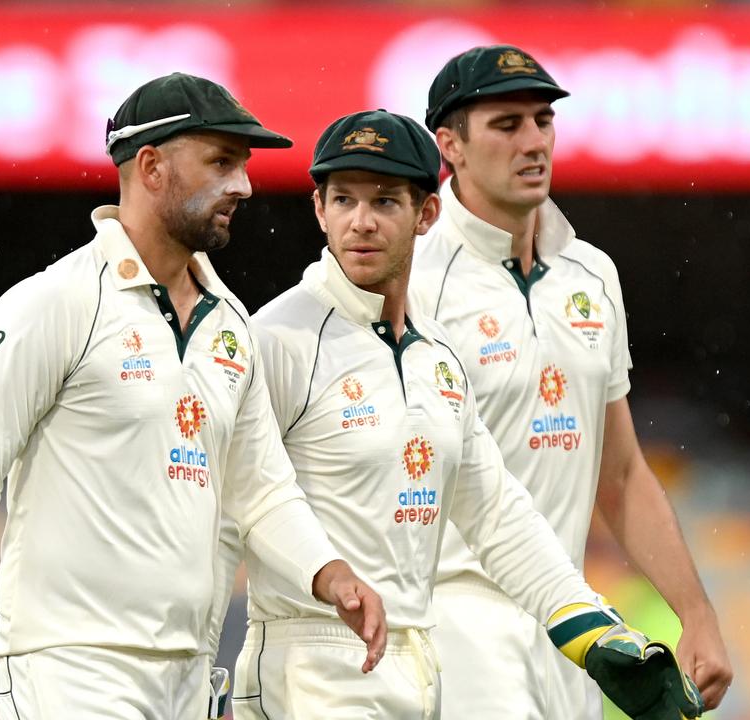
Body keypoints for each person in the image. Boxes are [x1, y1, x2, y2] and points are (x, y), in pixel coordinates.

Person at [0, 73, 386, 720]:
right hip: (66, 670)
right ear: (151, 166)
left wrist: (330, 572)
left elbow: (261, 488)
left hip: (189, 679)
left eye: (243, 166)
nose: (244, 186)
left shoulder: (232, 326)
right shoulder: (56, 303)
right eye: (222, 162)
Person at [218, 109, 703, 720]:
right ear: (319, 209)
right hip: (311, 667)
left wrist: (595, 632)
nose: (360, 222)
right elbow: (233, 503)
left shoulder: (438, 356)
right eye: (342, 199)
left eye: (386, 202)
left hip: (419, 666)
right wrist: (201, 668)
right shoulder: (276, 339)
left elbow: (498, 513)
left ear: (426, 214)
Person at [410, 45, 733, 719]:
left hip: (569, 622)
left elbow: (618, 474)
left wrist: (695, 613)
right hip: (455, 615)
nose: (533, 142)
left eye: (542, 121)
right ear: (451, 145)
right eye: (506, 125)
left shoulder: (592, 274)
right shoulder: (410, 278)